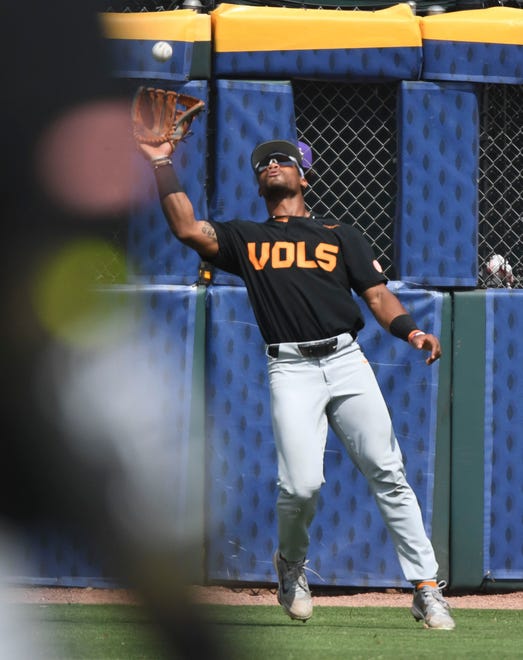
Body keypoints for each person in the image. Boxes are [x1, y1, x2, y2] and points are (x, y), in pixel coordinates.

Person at [138, 136, 456, 631]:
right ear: (258, 181)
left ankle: (426, 588)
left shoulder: (340, 234)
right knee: (301, 485)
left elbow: (376, 296)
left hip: (347, 361)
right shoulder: (245, 237)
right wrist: (161, 160)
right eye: (263, 163)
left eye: (282, 160)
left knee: (388, 472)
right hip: (290, 368)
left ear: (303, 177)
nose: (271, 165)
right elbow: (185, 227)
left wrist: (410, 330)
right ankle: (290, 565)